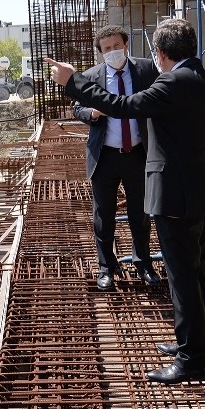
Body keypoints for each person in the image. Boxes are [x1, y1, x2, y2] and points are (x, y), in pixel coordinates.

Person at [46, 18, 205, 385]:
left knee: (183, 279)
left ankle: (191, 361)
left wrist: (73, 82)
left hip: (174, 199)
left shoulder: (169, 83)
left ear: (161, 54)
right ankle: (191, 343)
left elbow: (122, 105)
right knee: (199, 275)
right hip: (204, 198)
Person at [73, 24, 161, 291]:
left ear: (126, 45)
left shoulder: (146, 70)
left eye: (116, 46)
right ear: (100, 53)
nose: (112, 52)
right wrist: (93, 113)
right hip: (105, 157)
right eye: (106, 49)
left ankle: (143, 263)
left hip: (138, 154)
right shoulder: (90, 76)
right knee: (103, 216)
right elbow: (77, 108)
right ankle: (106, 266)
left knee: (141, 213)